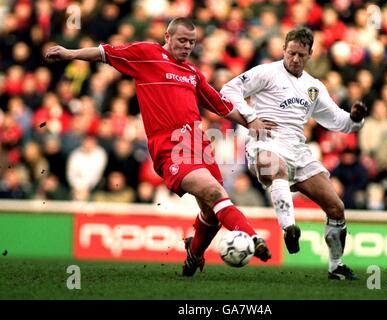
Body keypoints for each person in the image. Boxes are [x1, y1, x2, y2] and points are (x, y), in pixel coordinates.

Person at [45, 17, 272, 276]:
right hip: (169, 145)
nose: (187, 46)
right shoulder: (147, 54)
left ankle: (194, 253)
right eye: (182, 40)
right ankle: (253, 238)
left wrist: (253, 121)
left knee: (210, 212)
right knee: (215, 192)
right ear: (167, 36)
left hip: (198, 142)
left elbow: (220, 105)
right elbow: (103, 52)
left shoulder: (193, 73)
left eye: (192, 42)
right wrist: (70, 53)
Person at [221, 27, 367, 280]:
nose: (295, 59)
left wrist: (356, 118)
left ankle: (336, 266)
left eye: (301, 54)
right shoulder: (266, 72)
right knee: (275, 168)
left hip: (298, 149)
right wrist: (251, 118)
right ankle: (289, 228)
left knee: (336, 207)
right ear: (283, 50)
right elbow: (228, 90)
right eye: (291, 53)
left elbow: (338, 121)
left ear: (310, 54)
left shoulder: (314, 87)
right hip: (264, 142)